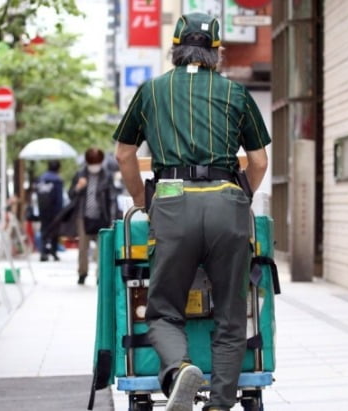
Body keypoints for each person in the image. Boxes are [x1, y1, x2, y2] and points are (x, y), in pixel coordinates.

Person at [113, 12, 270, 411]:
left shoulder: (151, 91)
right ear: (216, 51)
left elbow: (124, 153)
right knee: (232, 317)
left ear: (176, 48)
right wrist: (239, 200)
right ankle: (219, 404)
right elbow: (259, 160)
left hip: (171, 200)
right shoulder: (235, 93)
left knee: (163, 310)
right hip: (225, 201)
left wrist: (140, 200)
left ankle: (179, 369)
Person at [68, 148, 117, 285]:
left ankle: (99, 275)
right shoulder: (80, 174)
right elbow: (70, 195)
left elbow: (112, 198)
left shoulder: (106, 176)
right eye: (92, 162)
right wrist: (78, 187)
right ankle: (82, 273)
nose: (94, 165)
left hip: (102, 216)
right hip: (83, 216)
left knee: (101, 248)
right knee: (83, 247)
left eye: (96, 162)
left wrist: (112, 218)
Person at [36, 160, 64, 262]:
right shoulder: (57, 180)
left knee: (44, 230)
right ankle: (53, 251)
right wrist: (61, 211)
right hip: (55, 210)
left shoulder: (41, 179)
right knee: (54, 231)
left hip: (43, 209)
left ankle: (43, 252)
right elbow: (59, 197)